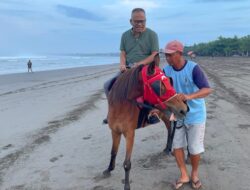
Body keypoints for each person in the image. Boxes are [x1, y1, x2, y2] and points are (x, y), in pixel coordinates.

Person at [162, 40, 212, 189]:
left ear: (179, 54)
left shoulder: (193, 69)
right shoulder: (166, 71)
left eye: (170, 55)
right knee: (176, 146)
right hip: (177, 115)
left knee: (194, 148)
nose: (167, 58)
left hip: (195, 114)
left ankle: (194, 174)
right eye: (166, 55)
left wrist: (189, 97)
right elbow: (161, 92)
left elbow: (207, 89)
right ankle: (184, 174)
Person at [103, 8, 159, 124]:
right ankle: (111, 112)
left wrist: (139, 64)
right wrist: (122, 64)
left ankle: (153, 113)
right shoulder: (125, 35)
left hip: (146, 69)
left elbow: (154, 54)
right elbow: (123, 52)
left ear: (146, 21)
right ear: (131, 21)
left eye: (142, 21)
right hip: (128, 69)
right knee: (108, 85)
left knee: (155, 86)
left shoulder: (152, 35)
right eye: (137, 21)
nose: (140, 24)